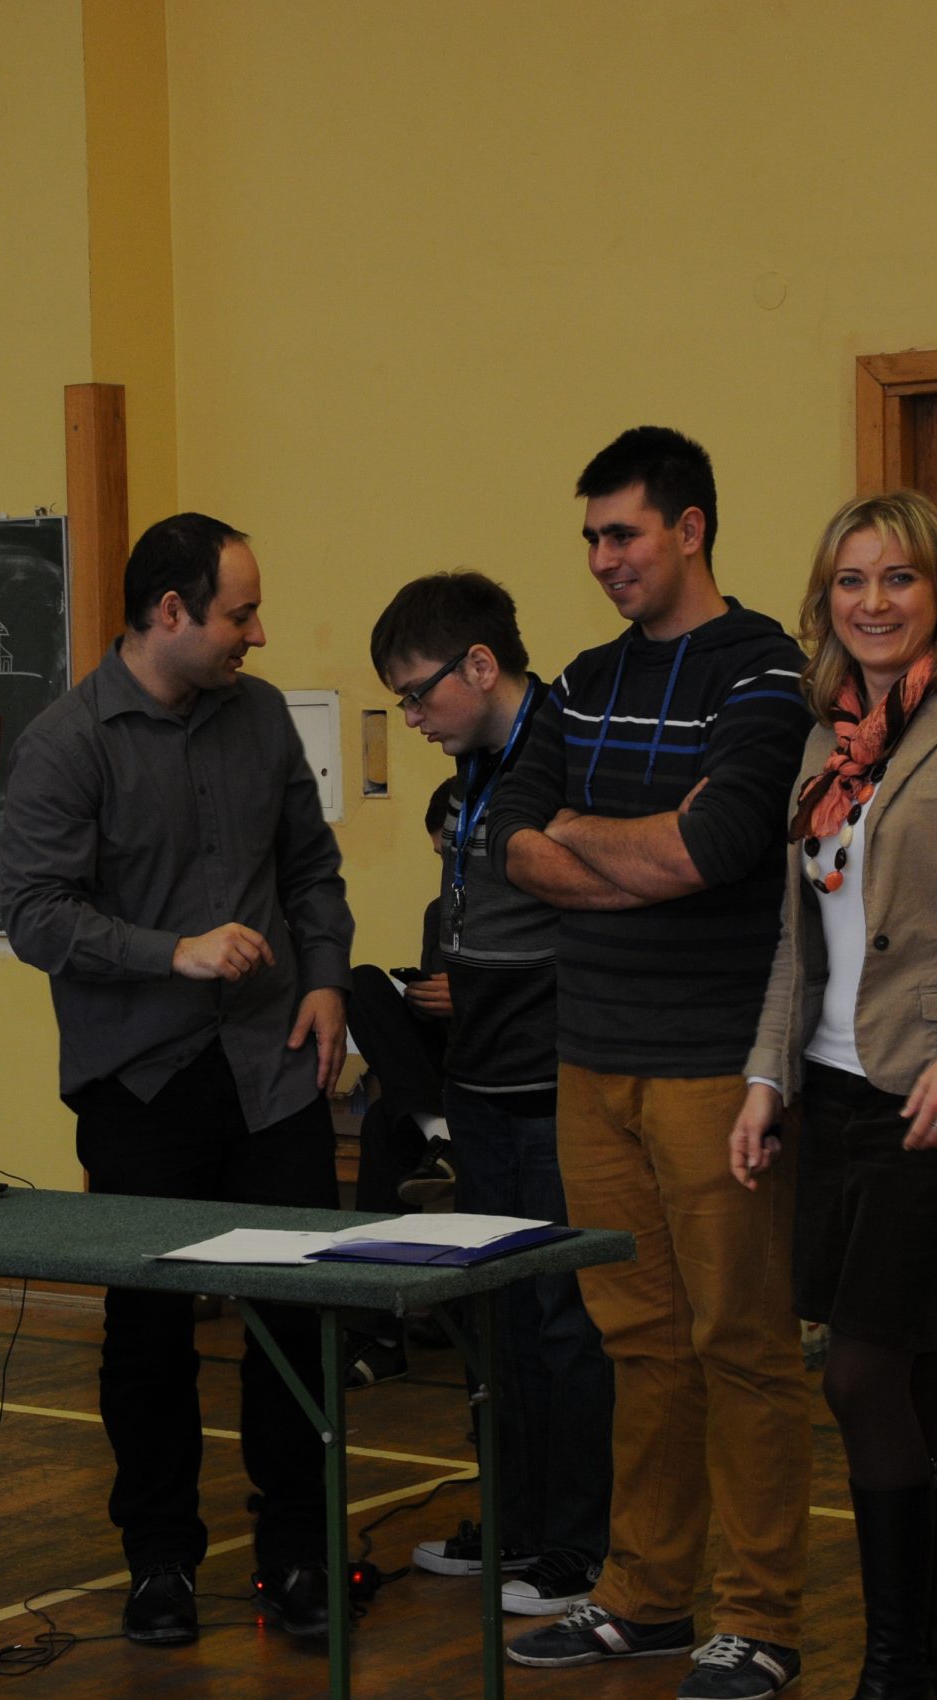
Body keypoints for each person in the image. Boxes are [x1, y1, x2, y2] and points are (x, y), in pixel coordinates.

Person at [487, 427, 815, 1699]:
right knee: (637, 1338)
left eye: (620, 533)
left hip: (713, 1066)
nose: (601, 558)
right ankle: (645, 1593)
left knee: (742, 1342)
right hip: (592, 1058)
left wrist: (592, 838)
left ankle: (762, 1616)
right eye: (589, 537)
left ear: (689, 527)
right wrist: (631, 849)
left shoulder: (766, 670)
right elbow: (510, 839)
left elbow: (716, 846)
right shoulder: (580, 679)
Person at [730, 491, 937, 1700]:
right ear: (824, 598)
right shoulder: (830, 739)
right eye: (851, 579)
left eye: (898, 577)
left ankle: (889, 1670)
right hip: (832, 1087)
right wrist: (766, 1075)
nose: (872, 601)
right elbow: (800, 935)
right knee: (918, 1366)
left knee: (859, 1371)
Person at [0, 511, 354, 1646]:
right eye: (240, 613)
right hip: (141, 1083)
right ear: (170, 612)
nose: (259, 632)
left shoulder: (261, 717)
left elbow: (311, 869)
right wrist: (174, 952)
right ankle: (159, 1560)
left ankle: (299, 1552)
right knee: (147, 1332)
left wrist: (328, 981)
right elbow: (33, 915)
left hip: (274, 1067)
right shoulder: (66, 743)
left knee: (300, 1315)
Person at [374, 570, 616, 1619]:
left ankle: (578, 1548)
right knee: (500, 1312)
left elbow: (600, 900)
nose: (412, 719)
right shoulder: (471, 764)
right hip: (477, 1079)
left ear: (479, 665)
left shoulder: (570, 745)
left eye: (417, 694)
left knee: (565, 1319)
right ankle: (514, 1520)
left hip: (554, 1079)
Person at [341, 777, 459, 1390]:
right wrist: (423, 997)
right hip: (444, 1072)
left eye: (452, 853)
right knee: (360, 981)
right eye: (440, 857)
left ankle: (384, 1335)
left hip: (504, 1067)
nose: (448, 869)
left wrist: (469, 998)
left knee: (382, 1130)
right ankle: (438, 1132)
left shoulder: (531, 905)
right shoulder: (441, 913)